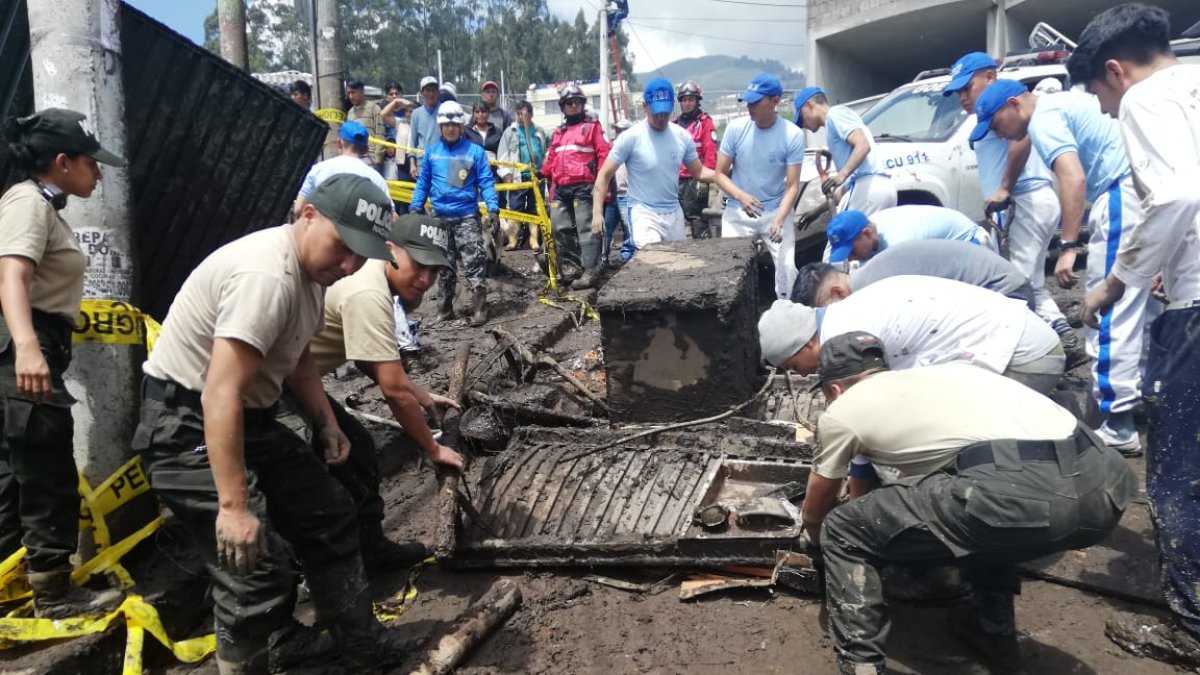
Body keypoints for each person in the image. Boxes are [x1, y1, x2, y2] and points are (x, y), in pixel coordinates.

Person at [134, 175, 412, 673]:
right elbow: (221, 392)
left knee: (327, 513)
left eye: (360, 255)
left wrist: (326, 421)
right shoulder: (267, 276)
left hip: (250, 416)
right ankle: (254, 656)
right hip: (188, 423)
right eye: (342, 247)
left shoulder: (310, 277)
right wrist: (234, 506)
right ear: (307, 216)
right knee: (252, 563)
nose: (348, 265)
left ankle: (356, 648)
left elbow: (298, 359)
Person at [800, 331, 1136, 675]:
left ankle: (862, 667)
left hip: (1020, 492)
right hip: (1105, 481)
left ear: (834, 390)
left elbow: (818, 504)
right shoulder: (950, 374)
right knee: (987, 510)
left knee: (843, 529)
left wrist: (813, 534)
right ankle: (992, 631)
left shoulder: (843, 410)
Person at [1066, 3, 1200, 662]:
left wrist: (1117, 280)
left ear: (1115, 72)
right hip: (1190, 283)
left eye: (1100, 95)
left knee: (1177, 472)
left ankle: (1192, 626)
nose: (1109, 113)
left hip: (1198, 309)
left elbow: (1175, 196)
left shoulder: (1146, 101)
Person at [977, 76, 1159, 455]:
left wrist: (1069, 245)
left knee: (1107, 308)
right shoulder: (1059, 105)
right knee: (1149, 305)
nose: (1000, 133)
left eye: (997, 124)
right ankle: (1143, 398)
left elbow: (1072, 178)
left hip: (1123, 192)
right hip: (1148, 188)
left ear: (1014, 105)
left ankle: (1118, 424)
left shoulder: (1043, 119)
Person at [279, 214, 464, 577]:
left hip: (296, 378)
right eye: (419, 265)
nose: (426, 280)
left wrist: (422, 394)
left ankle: (370, 546)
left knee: (359, 447)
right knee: (304, 477)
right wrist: (432, 448)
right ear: (391, 249)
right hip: (271, 387)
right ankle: (302, 568)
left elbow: (369, 357)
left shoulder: (372, 279)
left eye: (435, 271)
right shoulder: (368, 292)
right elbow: (392, 389)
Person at [0, 108, 126, 619]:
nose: (98, 172)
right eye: (90, 162)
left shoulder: (42, 206)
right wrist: (28, 346)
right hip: (23, 346)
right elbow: (11, 276)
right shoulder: (27, 203)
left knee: (14, 475)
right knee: (48, 470)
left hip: (26, 342)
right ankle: (52, 596)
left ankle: (14, 591)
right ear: (60, 162)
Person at [942, 52, 1079, 353]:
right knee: (1027, 281)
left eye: (968, 88)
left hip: (1023, 201)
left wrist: (1005, 187)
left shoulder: (1007, 105)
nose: (963, 98)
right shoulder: (995, 110)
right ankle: (1058, 338)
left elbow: (1023, 139)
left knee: (1017, 284)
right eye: (958, 92)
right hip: (1026, 203)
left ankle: (1055, 345)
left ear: (990, 77)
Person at [758, 275, 1065, 395]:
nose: (802, 373)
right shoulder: (849, 310)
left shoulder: (845, 337)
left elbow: (867, 417)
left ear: (808, 341)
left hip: (1024, 358)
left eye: (795, 365)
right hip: (1027, 336)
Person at [591, 78, 751, 273]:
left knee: (677, 269)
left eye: (666, 113)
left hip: (673, 213)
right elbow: (604, 175)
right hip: (644, 212)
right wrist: (597, 213)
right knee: (653, 261)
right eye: (657, 113)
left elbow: (700, 172)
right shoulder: (630, 137)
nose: (662, 118)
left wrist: (737, 191)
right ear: (645, 106)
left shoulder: (681, 136)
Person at [410, 101, 500, 326]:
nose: (450, 128)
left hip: (467, 217)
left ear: (461, 126)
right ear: (440, 126)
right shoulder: (432, 154)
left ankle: (480, 307)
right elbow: (423, 183)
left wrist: (493, 208)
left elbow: (486, 182)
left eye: (454, 124)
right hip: (439, 218)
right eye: (446, 124)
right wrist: (415, 206)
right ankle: (444, 308)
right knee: (444, 266)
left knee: (474, 263)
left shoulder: (475, 152)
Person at [717, 72, 806, 299]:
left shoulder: (792, 135)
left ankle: (787, 313)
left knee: (787, 269)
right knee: (730, 268)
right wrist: (741, 196)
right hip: (739, 210)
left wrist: (778, 219)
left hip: (775, 208)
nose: (750, 107)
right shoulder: (736, 129)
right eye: (748, 102)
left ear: (775, 101)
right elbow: (719, 174)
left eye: (756, 102)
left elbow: (792, 185)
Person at [792, 239, 1035, 309]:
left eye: (827, 311)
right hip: (999, 287)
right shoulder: (870, 274)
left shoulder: (875, 291)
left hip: (1007, 294)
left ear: (837, 292)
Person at [541, 84, 611, 286]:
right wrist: (542, 172)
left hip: (584, 186)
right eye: (569, 103)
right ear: (562, 107)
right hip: (561, 188)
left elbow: (604, 154)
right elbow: (552, 157)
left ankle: (591, 270)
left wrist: (601, 182)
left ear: (582, 104)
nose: (573, 106)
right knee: (559, 226)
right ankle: (572, 268)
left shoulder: (592, 127)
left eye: (577, 102)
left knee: (586, 227)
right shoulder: (559, 132)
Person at [794, 86, 897, 214]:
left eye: (801, 117)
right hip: (879, 188)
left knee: (845, 233)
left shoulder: (835, 114)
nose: (803, 124)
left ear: (810, 105)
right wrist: (816, 212)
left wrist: (841, 176)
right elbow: (845, 189)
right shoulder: (837, 121)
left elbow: (863, 145)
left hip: (867, 188)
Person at [825, 205, 992, 264]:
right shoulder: (872, 225)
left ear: (867, 233)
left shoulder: (898, 242)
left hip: (972, 245)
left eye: (852, 251)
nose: (851, 258)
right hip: (944, 252)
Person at [294, 120, 391, 217]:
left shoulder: (318, 169)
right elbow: (390, 217)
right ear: (365, 149)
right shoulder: (377, 179)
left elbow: (298, 209)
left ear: (339, 142)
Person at [497, 100, 548, 251]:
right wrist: (506, 174)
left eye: (524, 114)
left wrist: (544, 171)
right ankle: (513, 240)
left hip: (536, 177)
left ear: (531, 114)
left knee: (535, 209)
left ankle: (533, 240)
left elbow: (544, 152)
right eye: (518, 114)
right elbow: (503, 156)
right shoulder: (510, 132)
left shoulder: (539, 131)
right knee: (515, 209)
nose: (521, 117)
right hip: (517, 178)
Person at [673, 80, 718, 239]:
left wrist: (704, 181)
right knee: (678, 220)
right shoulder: (675, 124)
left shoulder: (705, 123)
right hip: (677, 181)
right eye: (684, 100)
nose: (687, 103)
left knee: (698, 220)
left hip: (696, 180)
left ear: (697, 101)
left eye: (691, 99)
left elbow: (710, 154)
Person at [604, 118, 632, 264]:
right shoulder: (611, 149)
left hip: (627, 196)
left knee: (628, 229)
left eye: (622, 130)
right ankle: (603, 258)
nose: (619, 133)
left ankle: (627, 258)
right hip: (611, 197)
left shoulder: (634, 150)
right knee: (606, 230)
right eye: (617, 130)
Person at [380, 82, 414, 193]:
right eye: (391, 94)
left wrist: (406, 105)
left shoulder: (410, 112)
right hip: (391, 158)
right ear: (387, 96)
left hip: (410, 157)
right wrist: (395, 102)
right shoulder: (385, 112)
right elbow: (383, 114)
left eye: (397, 94)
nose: (394, 96)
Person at [345, 80, 386, 172]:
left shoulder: (374, 108)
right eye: (349, 93)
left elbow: (380, 133)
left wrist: (378, 156)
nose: (351, 96)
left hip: (370, 158)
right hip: (355, 158)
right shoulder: (350, 113)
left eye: (353, 92)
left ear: (361, 91)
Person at [409, 76, 441, 177]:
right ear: (422, 93)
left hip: (442, 160)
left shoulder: (444, 110)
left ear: (437, 92)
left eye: (433, 90)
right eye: (427, 90)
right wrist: (412, 164)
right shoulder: (416, 113)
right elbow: (413, 141)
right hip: (422, 162)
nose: (431, 94)